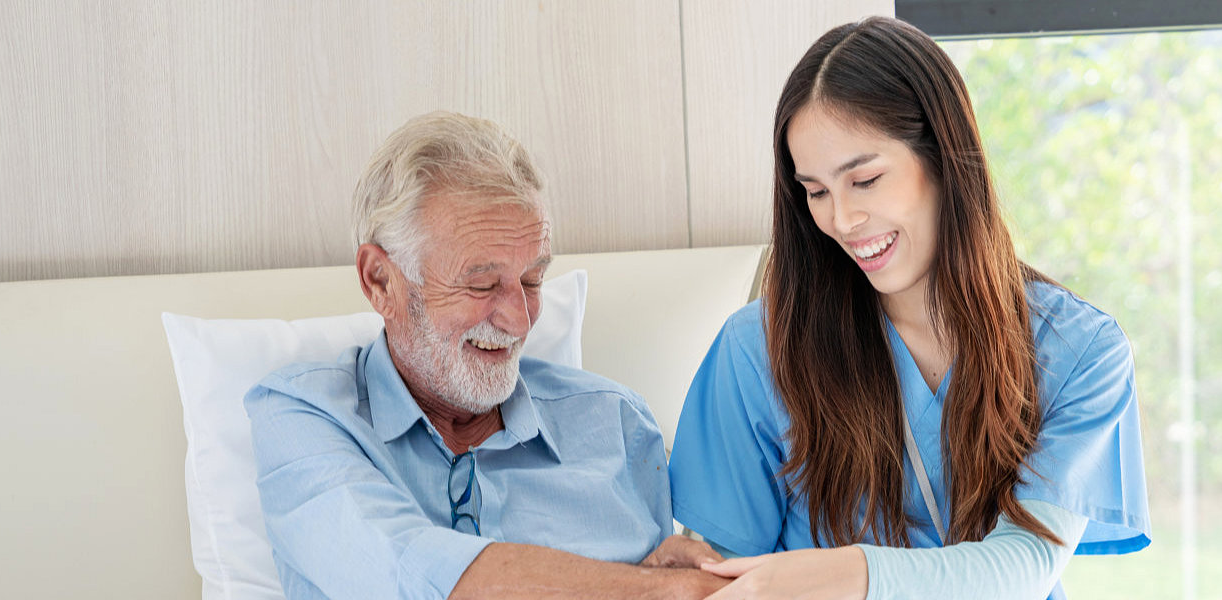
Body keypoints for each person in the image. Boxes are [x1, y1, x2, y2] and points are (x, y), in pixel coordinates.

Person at [668, 16, 1151, 600]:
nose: (841, 221)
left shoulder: (1078, 350)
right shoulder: (757, 351)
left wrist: (844, 575)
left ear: (943, 158)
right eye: (816, 191)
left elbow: (1025, 565)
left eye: (865, 180)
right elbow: (725, 577)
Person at [245, 111, 727, 599]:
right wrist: (658, 591)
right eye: (481, 284)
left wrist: (652, 578)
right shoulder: (303, 416)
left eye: (533, 280)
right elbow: (412, 574)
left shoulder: (616, 422)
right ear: (381, 281)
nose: (519, 320)